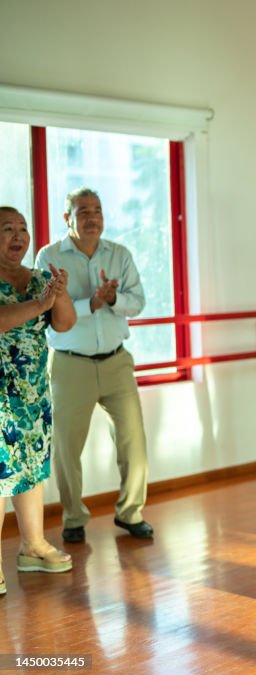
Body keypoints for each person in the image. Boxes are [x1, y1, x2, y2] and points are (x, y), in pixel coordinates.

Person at [37, 188, 154, 543]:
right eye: (83, 210)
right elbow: (49, 311)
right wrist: (91, 302)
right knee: (67, 446)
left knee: (133, 442)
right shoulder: (49, 257)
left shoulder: (120, 254)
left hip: (117, 362)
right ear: (66, 218)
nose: (92, 217)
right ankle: (73, 518)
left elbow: (138, 303)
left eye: (97, 210)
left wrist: (114, 297)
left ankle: (130, 513)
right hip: (71, 365)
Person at [0, 207, 76, 589]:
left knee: (31, 469)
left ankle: (32, 546)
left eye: (23, 228)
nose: (18, 236)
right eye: (7, 229)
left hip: (32, 396)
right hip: (0, 398)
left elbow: (64, 323)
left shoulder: (39, 279)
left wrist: (57, 294)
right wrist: (39, 304)